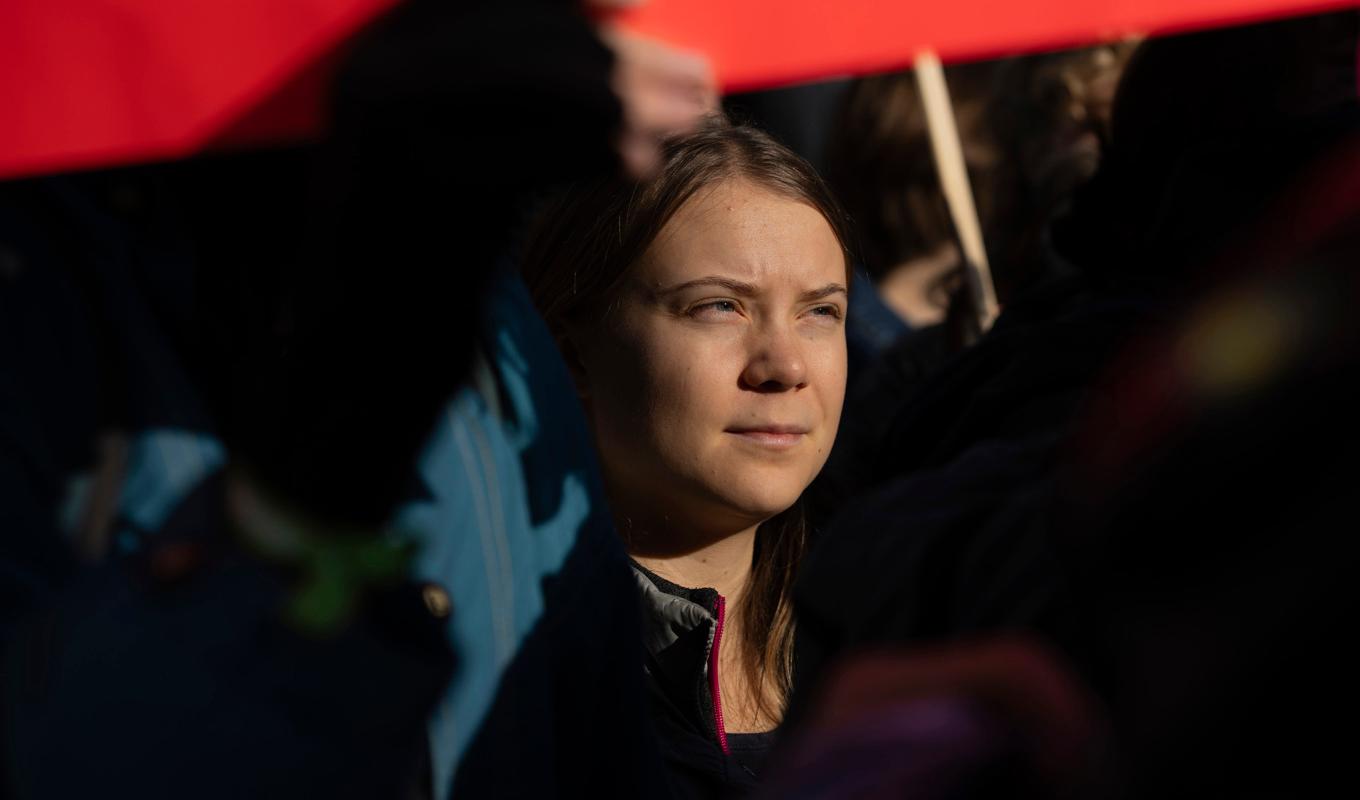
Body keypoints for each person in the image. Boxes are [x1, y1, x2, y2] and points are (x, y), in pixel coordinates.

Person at [521, 116, 853, 796]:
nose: (785, 365)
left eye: (820, 312)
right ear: (572, 354)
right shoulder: (499, 674)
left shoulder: (901, 638)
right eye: (720, 307)